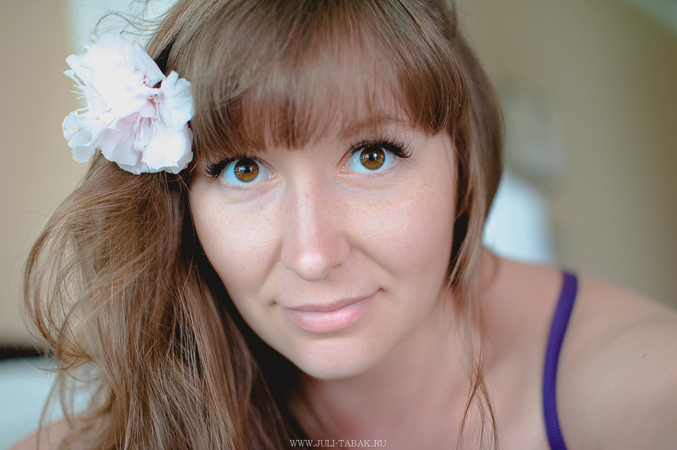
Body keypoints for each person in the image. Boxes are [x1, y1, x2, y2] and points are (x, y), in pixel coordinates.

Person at [14, 0, 677, 448]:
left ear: (462, 166)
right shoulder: (167, 395)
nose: (312, 255)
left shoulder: (640, 383)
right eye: (244, 168)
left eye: (371, 156)